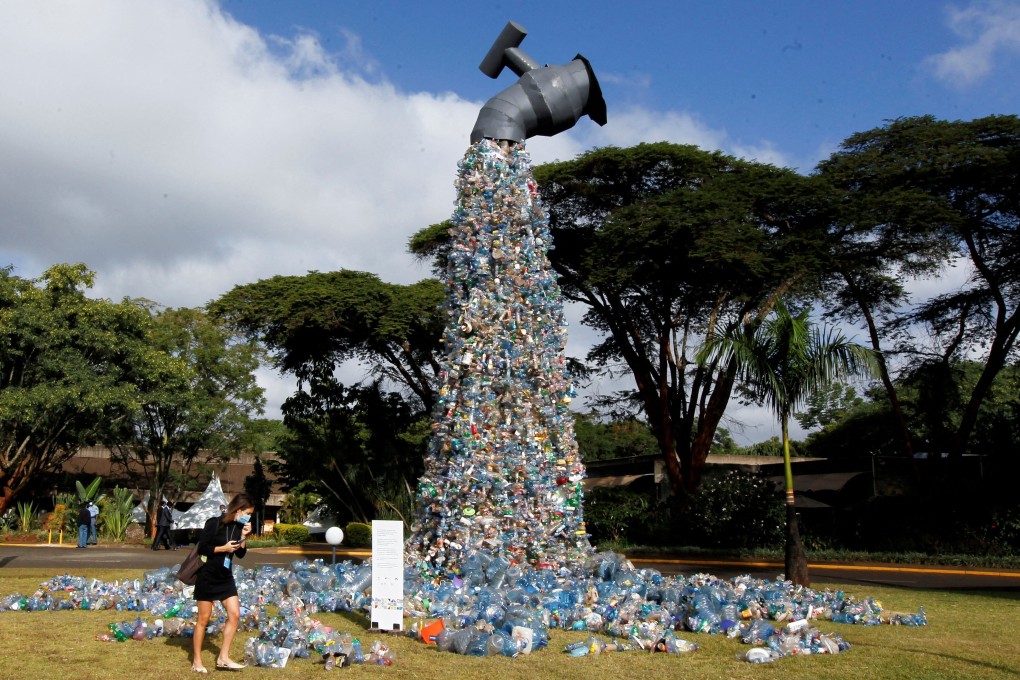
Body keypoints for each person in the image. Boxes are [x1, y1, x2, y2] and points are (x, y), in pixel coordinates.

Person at [191, 492, 254, 673]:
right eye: (248, 512)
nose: (249, 516)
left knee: (234, 614)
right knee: (203, 620)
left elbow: (240, 554)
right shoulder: (214, 523)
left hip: (226, 577)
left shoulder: (238, 527)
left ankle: (223, 658)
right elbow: (202, 548)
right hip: (208, 576)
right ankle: (197, 661)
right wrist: (223, 548)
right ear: (238, 509)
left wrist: (244, 536)